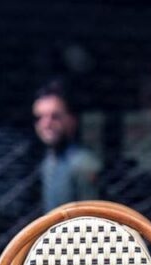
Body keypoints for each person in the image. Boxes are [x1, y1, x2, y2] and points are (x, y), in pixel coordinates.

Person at [32, 82, 101, 212]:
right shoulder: (48, 162)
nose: (46, 124)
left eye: (55, 117)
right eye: (39, 117)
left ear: (72, 119)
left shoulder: (84, 164)